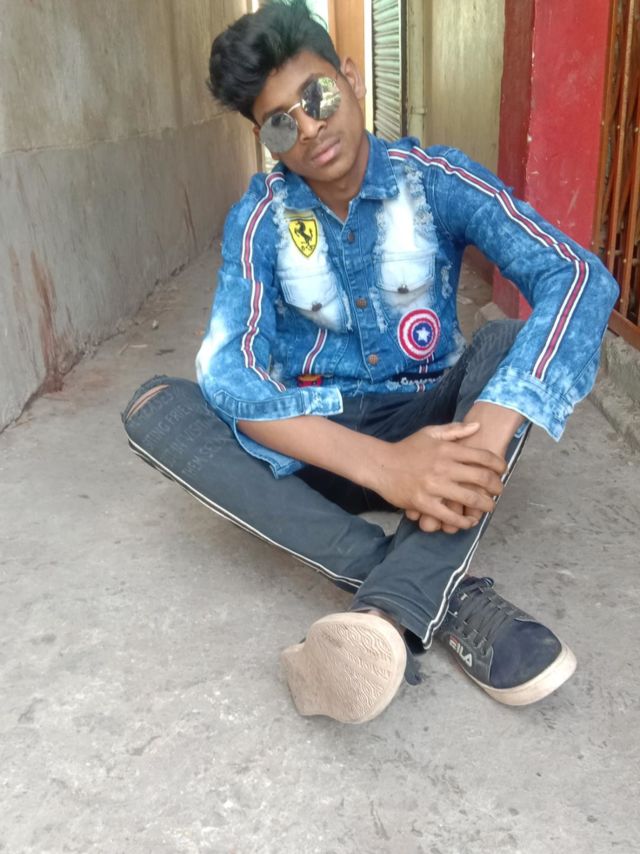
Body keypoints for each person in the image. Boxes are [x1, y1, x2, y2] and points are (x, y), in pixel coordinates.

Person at [122, 0, 618, 724]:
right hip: (317, 441)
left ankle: (386, 611)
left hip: (432, 424)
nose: (309, 127)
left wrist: (481, 431)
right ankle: (439, 595)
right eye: (280, 122)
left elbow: (574, 276)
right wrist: (384, 468)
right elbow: (229, 369)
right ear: (265, 139)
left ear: (350, 79)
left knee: (509, 343)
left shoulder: (435, 180)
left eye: (317, 96)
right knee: (158, 408)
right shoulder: (262, 218)